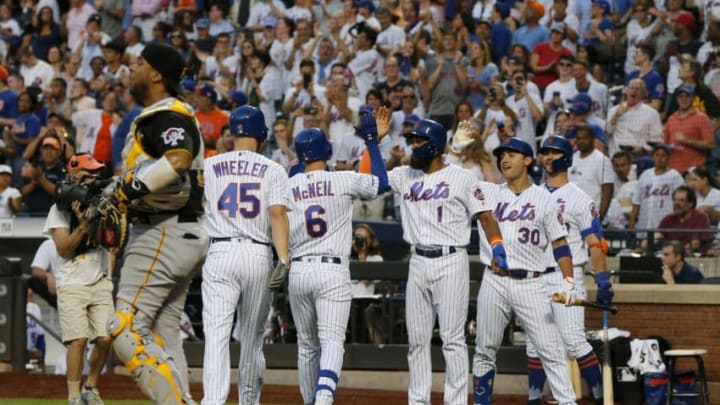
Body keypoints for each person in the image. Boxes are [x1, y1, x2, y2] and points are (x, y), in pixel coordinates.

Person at [105, 43, 207, 405]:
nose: (131, 68)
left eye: (139, 63)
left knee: (124, 328)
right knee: (163, 336)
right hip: (180, 229)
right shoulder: (167, 113)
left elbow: (178, 158)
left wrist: (127, 190)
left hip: (163, 230)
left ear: (155, 74)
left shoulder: (164, 114)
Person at [387, 118, 508, 405]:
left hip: (451, 260)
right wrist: (372, 142)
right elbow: (373, 180)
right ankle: (418, 401)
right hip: (417, 260)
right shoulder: (405, 175)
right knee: (417, 341)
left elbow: (486, 216)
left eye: (419, 141)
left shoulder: (463, 177)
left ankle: (454, 402)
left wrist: (498, 247)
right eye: (412, 141)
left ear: (434, 146)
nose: (413, 146)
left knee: (452, 340)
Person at [285, 108, 389, 405]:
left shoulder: (287, 185)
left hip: (299, 270)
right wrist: (372, 142)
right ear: (326, 151)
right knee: (332, 340)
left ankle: (311, 400)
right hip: (331, 270)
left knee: (306, 346)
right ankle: (324, 397)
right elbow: (380, 183)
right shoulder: (341, 179)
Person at [472, 137, 578, 405]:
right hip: (494, 280)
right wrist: (459, 145)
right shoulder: (490, 192)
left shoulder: (545, 199)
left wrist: (569, 281)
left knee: (551, 350)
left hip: (531, 282)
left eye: (511, 155)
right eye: (502, 155)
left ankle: (567, 402)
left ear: (528, 160)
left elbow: (560, 244)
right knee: (484, 349)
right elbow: (456, 175)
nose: (504, 160)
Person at [201, 105, 290, 405]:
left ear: (231, 131)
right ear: (262, 135)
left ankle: (212, 401)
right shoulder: (274, 169)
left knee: (216, 337)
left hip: (221, 251)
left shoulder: (210, 165)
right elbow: (277, 215)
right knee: (251, 341)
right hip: (257, 254)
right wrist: (284, 258)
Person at [527, 135, 613, 405]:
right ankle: (533, 399)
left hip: (568, 274)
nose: (548, 157)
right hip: (536, 275)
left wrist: (603, 281)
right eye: (545, 153)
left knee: (574, 342)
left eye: (553, 152)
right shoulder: (532, 194)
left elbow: (595, 244)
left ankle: (598, 397)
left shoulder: (579, 198)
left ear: (565, 157)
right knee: (533, 344)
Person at [45, 153, 114, 405]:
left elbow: (114, 241)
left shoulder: (104, 202)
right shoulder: (59, 207)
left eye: (97, 172)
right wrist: (84, 226)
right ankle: (74, 397)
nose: (95, 178)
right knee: (78, 341)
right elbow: (63, 248)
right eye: (89, 173)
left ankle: (91, 387)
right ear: (75, 175)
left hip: (100, 277)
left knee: (106, 338)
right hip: (72, 278)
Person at [629, 145, 685, 236]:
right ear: (652, 157)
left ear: (668, 158)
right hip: (644, 224)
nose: (660, 158)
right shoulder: (645, 175)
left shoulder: (675, 176)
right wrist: (631, 225)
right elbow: (636, 203)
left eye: (663, 155)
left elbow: (681, 202)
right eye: (657, 155)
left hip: (666, 225)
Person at [663, 86, 714, 174]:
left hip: (694, 170)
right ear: (677, 99)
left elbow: (710, 144)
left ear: (693, 98)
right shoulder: (671, 119)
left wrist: (687, 141)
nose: (684, 99)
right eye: (681, 96)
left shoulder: (702, 118)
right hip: (673, 170)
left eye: (687, 96)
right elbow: (666, 144)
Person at [658, 185, 713, 255]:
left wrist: (673, 252)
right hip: (672, 257)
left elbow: (695, 244)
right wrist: (647, 242)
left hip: (695, 258)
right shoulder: (669, 218)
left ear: (691, 203)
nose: (676, 203)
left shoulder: (701, 217)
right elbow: (656, 235)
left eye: (681, 200)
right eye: (675, 200)